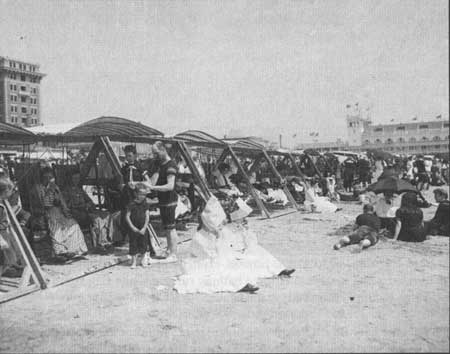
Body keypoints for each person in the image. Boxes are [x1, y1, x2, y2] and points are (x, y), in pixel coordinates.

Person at [29, 167, 88, 260]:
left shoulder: (54, 187)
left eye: (50, 177)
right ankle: (60, 251)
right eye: (46, 177)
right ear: (42, 177)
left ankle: (75, 250)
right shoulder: (37, 188)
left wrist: (66, 211)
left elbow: (61, 201)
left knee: (73, 224)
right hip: (43, 212)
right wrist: (50, 191)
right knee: (56, 227)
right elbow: (44, 204)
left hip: (57, 211)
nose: (48, 179)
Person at [147, 141, 179, 262]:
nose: (155, 156)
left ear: (163, 150)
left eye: (156, 153)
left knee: (171, 227)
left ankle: (173, 254)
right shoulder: (161, 164)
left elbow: (170, 186)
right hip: (163, 199)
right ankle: (170, 251)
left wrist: (153, 188)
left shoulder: (171, 165)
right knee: (167, 227)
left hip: (170, 199)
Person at [125, 183, 150, 268]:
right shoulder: (131, 204)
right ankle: (134, 261)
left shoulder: (145, 203)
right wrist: (132, 227)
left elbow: (147, 216)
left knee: (143, 243)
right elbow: (127, 216)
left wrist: (144, 227)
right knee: (133, 244)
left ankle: (143, 259)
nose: (143, 196)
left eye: (144, 194)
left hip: (143, 226)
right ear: (136, 194)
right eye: (141, 194)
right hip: (134, 227)